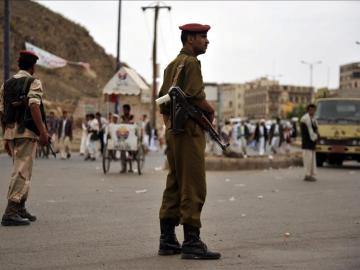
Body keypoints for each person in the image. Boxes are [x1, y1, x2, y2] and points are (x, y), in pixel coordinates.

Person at [157, 23, 220, 260]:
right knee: (193, 183)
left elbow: (163, 101)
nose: (207, 41)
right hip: (190, 131)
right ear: (190, 38)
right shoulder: (192, 63)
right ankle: (192, 242)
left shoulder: (172, 65)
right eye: (203, 36)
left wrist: (169, 126)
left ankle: (167, 239)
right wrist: (210, 112)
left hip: (175, 131)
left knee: (174, 182)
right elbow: (196, 96)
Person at [0, 50, 50, 226]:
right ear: (32, 66)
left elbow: (2, 112)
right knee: (22, 170)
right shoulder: (33, 82)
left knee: (23, 169)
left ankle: (20, 207)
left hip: (11, 131)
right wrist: (43, 132)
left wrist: (5, 137)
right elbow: (34, 106)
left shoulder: (6, 84)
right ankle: (11, 211)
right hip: (26, 132)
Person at [300, 104, 319, 181]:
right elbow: (306, 132)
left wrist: (316, 135)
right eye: (311, 110)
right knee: (308, 159)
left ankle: (311, 174)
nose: (312, 111)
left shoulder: (314, 119)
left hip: (312, 142)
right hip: (307, 142)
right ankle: (307, 175)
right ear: (307, 110)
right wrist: (314, 135)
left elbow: (316, 129)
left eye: (314, 110)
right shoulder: (304, 119)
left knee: (312, 160)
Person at [120, 104, 134, 173]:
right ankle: (124, 168)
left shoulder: (132, 117)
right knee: (122, 152)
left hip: (131, 137)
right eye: (123, 110)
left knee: (130, 152)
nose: (124, 111)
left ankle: (130, 168)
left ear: (128, 110)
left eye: (125, 110)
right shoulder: (122, 117)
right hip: (123, 137)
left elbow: (134, 125)